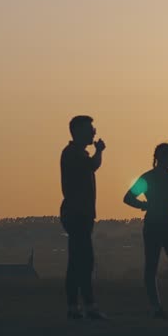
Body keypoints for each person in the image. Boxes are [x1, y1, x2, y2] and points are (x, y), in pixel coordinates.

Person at [124, 142, 168, 320]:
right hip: (159, 225)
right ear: (162, 158)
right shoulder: (153, 178)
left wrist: (151, 206)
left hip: (166, 224)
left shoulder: (163, 178)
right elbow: (128, 198)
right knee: (157, 267)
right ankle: (161, 308)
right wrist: (146, 206)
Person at [60, 115, 107, 321]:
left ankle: (74, 307)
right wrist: (100, 151)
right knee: (85, 261)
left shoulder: (75, 153)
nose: (94, 132)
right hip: (78, 214)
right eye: (90, 128)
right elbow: (93, 166)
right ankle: (89, 306)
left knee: (76, 262)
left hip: (78, 214)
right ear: (78, 131)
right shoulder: (73, 154)